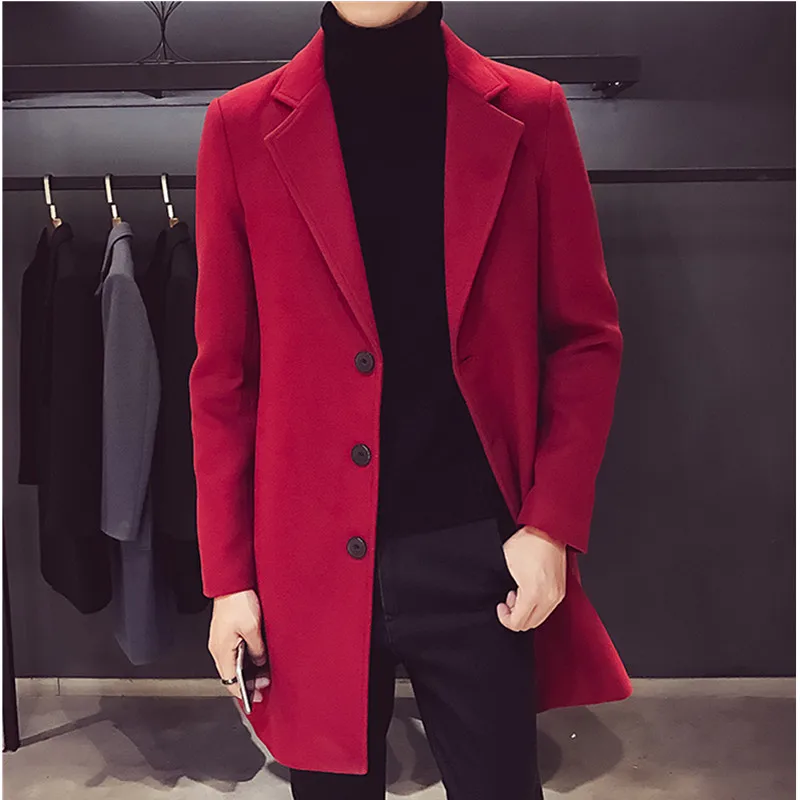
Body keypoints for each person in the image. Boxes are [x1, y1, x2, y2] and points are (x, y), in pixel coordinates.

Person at [190, 2, 630, 798]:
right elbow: (225, 377)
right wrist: (229, 579)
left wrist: (549, 526)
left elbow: (584, 339)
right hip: (307, 566)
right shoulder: (240, 127)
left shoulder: (529, 112)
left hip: (479, 556)